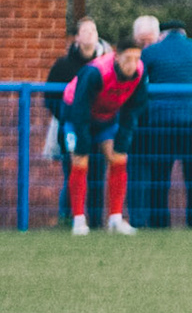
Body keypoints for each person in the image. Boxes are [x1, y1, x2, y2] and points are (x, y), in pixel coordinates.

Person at [137, 18, 192, 228]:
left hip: (160, 121)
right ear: (183, 32)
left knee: (159, 176)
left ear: (162, 34)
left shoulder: (150, 52)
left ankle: (158, 222)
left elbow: (138, 86)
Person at [61, 33, 150, 235]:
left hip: (105, 118)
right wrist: (83, 141)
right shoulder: (96, 72)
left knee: (119, 158)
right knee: (80, 160)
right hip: (75, 115)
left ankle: (115, 219)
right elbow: (80, 108)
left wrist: (123, 139)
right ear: (116, 57)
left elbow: (134, 108)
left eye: (137, 59)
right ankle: (78, 220)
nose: (133, 64)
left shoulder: (140, 73)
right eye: (128, 59)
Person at [46, 18, 106, 225]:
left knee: (97, 176)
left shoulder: (104, 64)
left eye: (93, 30)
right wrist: (66, 117)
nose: (90, 34)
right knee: (72, 173)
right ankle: (68, 218)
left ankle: (96, 221)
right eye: (85, 30)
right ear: (77, 37)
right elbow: (50, 97)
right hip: (71, 128)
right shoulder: (63, 66)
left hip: (98, 128)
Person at [125, 15, 161, 223]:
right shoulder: (126, 62)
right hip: (135, 126)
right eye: (141, 42)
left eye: (150, 42)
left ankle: (156, 221)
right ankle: (138, 219)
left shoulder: (161, 61)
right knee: (136, 176)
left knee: (158, 175)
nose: (145, 47)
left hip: (157, 126)